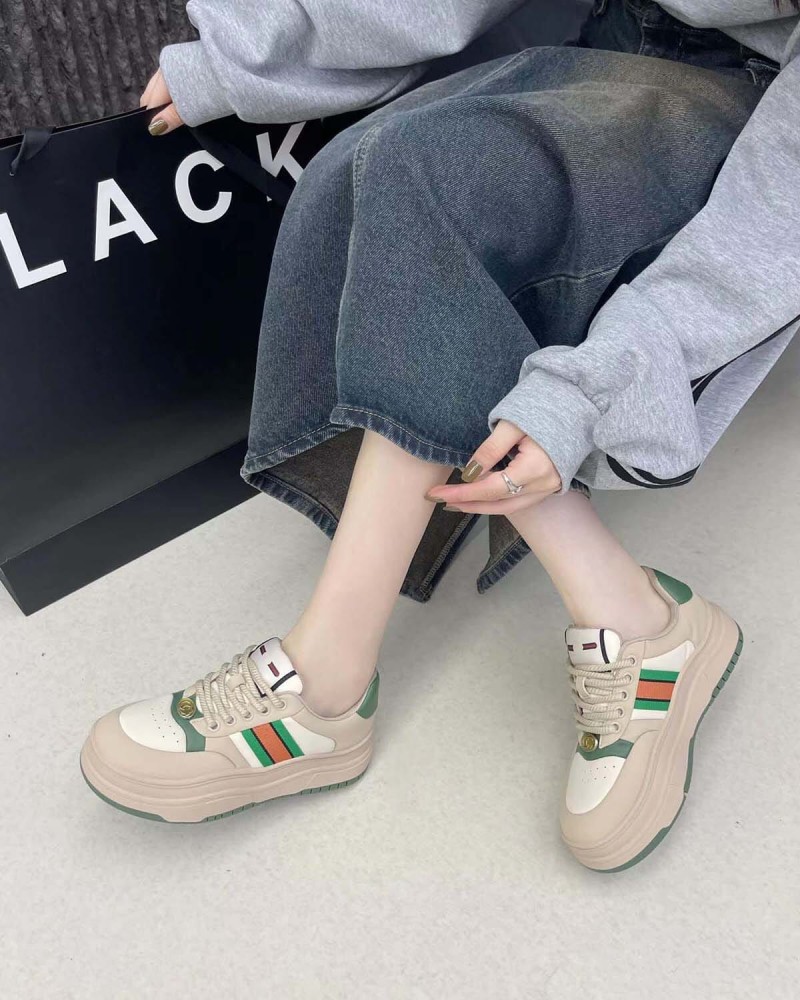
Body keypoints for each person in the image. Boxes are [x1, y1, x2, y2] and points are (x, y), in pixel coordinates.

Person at [80, 0, 799, 871]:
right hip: (618, 51)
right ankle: (633, 620)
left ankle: (325, 686)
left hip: (762, 127)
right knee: (368, 169)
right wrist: (253, 54)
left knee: (431, 182)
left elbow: (777, 214)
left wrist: (589, 390)